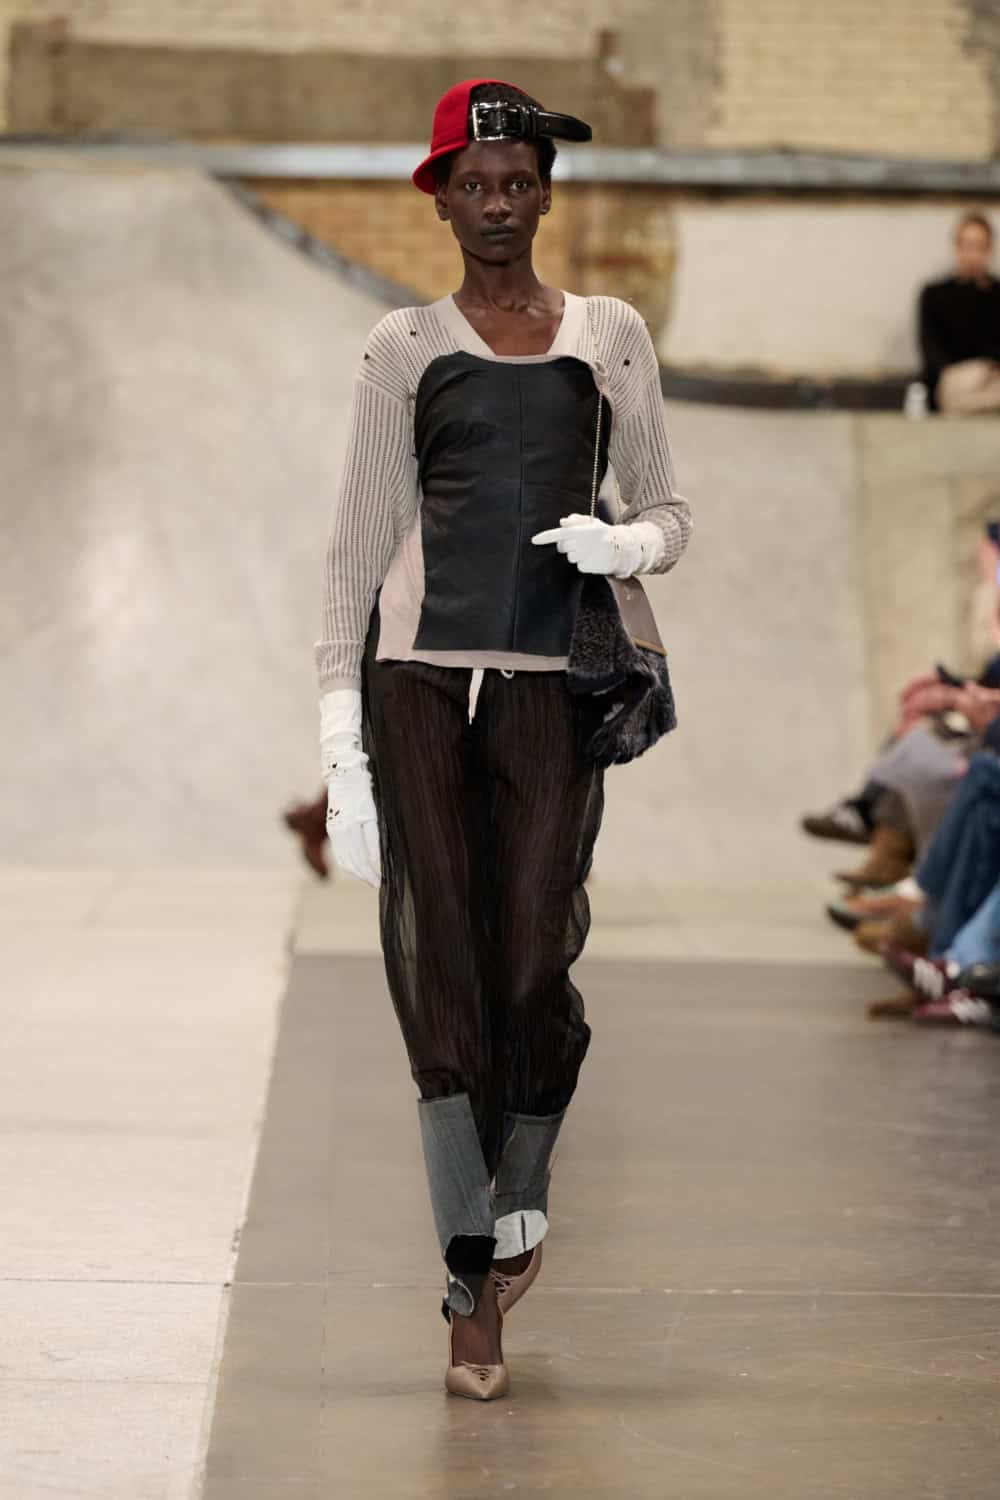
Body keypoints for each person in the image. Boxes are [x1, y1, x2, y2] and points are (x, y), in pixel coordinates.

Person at [312, 79, 692, 1401]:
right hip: (415, 680)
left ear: (543, 193)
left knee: (532, 959)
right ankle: (470, 1286)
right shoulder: (403, 346)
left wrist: (630, 544)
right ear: (441, 198)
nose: (496, 204)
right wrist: (338, 743)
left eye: (517, 182)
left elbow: (670, 507)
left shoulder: (609, 336)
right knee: (444, 970)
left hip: (549, 683)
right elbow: (357, 547)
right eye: (473, 185)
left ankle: (521, 1175)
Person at [918, 212, 1000, 415]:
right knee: (954, 390)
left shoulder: (996, 294)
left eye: (979, 246)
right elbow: (931, 352)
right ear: (957, 247)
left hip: (992, 377)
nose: (972, 254)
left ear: (989, 249)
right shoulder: (935, 295)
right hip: (955, 381)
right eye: (968, 245)